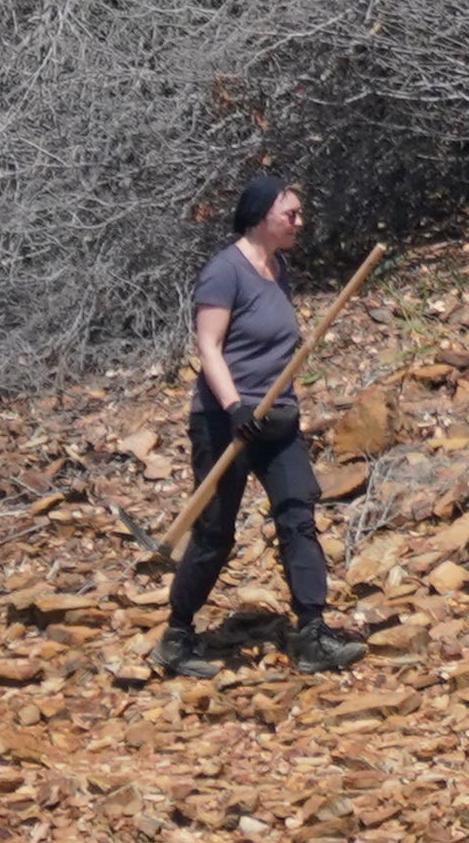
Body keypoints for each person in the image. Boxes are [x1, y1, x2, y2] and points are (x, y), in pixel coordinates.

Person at [157, 177, 367, 679]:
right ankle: (178, 636)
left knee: (298, 514)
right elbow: (209, 346)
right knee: (215, 532)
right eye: (289, 214)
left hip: (278, 419)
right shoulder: (223, 272)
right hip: (225, 422)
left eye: (299, 214)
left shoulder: (279, 268)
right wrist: (234, 408)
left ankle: (313, 632)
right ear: (259, 217)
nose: (299, 222)